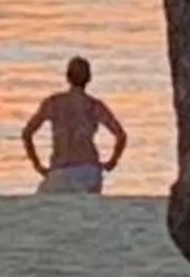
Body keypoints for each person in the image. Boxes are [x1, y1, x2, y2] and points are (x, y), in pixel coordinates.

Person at [21, 56, 128, 193]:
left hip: (61, 170)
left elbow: (27, 134)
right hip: (89, 171)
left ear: (67, 77)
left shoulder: (53, 103)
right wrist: (112, 161)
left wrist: (37, 165)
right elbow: (121, 135)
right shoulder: (94, 105)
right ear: (89, 78)